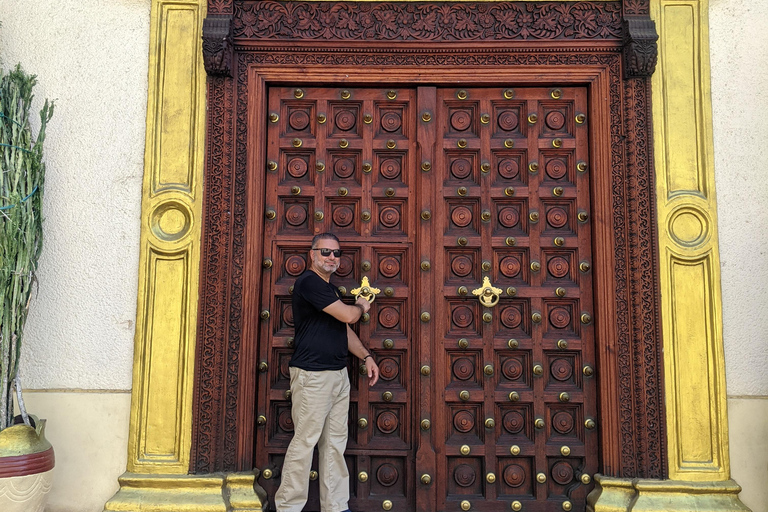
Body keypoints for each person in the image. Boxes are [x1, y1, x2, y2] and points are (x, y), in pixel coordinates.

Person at [274, 233, 380, 512]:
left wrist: (366, 355)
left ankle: (335, 506)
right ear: (312, 254)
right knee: (306, 442)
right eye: (325, 252)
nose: (332, 257)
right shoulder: (309, 282)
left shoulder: (329, 290)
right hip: (312, 376)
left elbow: (342, 329)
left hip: (337, 375)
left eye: (336, 253)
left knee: (334, 444)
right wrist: (361, 306)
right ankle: (288, 507)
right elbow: (349, 316)